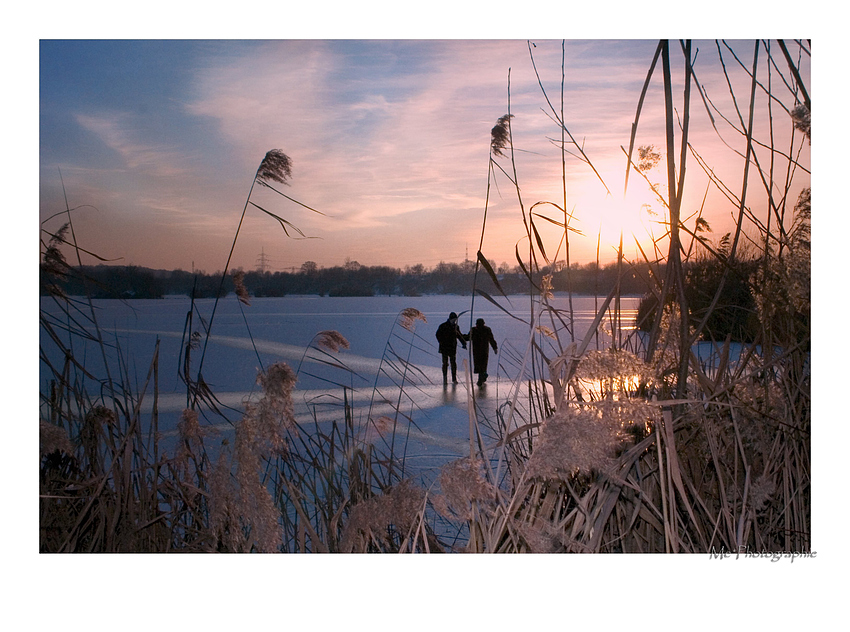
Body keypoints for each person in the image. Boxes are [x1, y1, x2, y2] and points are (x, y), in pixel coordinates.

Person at [435, 312, 467, 384]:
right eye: (454, 319)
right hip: (444, 348)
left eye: (455, 319)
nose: (454, 321)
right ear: (450, 319)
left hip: (452, 348)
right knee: (445, 363)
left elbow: (459, 336)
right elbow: (437, 335)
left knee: (453, 363)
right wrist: (441, 342)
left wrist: (463, 343)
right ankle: (445, 378)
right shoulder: (443, 326)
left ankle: (454, 379)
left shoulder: (456, 327)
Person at [469, 318, 498, 387]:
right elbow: (468, 337)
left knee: (482, 365)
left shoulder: (486, 330)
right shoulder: (474, 330)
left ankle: (481, 379)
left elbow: (491, 339)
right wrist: (460, 336)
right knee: (479, 365)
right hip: (477, 351)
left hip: (483, 350)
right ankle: (483, 377)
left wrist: (495, 347)